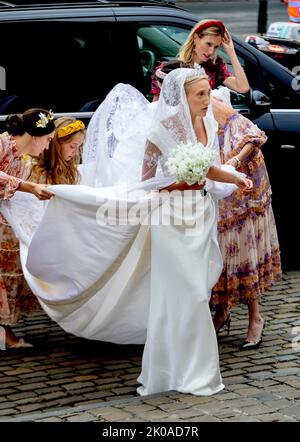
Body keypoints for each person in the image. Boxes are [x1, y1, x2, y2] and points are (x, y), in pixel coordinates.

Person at [209, 94, 282, 350]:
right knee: (215, 250)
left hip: (240, 185)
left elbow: (254, 135)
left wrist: (235, 162)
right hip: (212, 186)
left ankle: (255, 318)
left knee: (240, 248)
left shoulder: (208, 102)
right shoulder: (173, 114)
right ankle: (221, 311)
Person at [0, 108, 55, 350]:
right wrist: (30, 187)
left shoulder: (22, 161)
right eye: (48, 140)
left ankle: (4, 330)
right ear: (35, 135)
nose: (47, 146)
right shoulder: (1, 144)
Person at [151, 19, 249, 101]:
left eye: (216, 47)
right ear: (195, 38)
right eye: (208, 44)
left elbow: (243, 87)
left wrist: (231, 51)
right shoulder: (170, 70)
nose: (211, 51)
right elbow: (157, 106)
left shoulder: (214, 66)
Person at [29, 116, 85, 185]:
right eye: (72, 146)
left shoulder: (69, 170)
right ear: (56, 144)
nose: (76, 153)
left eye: (79, 147)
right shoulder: (34, 171)